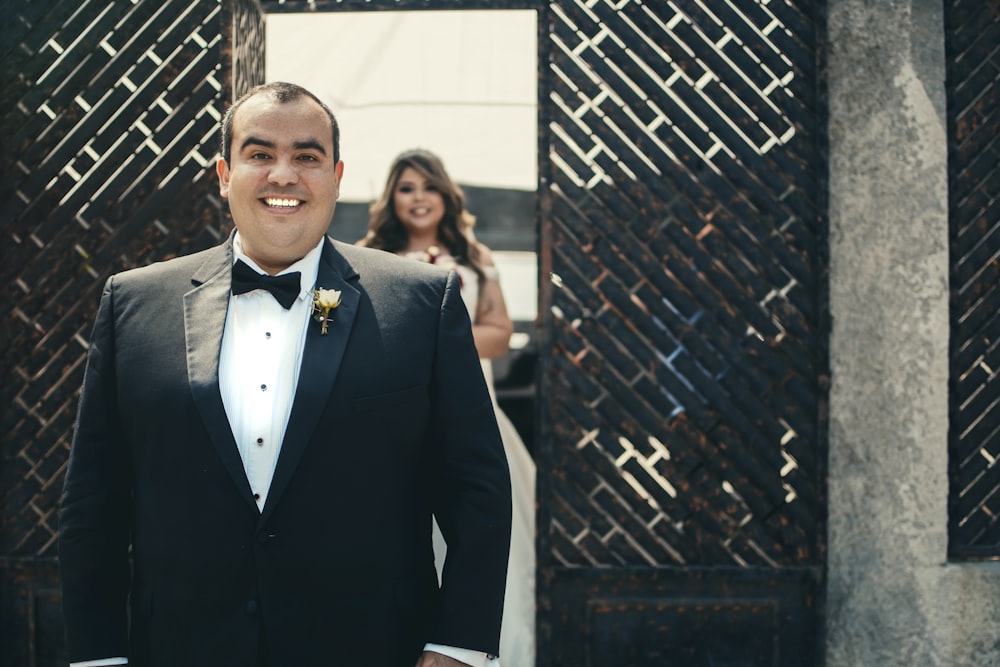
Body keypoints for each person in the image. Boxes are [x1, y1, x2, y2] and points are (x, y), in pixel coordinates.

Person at [58, 83, 512, 667]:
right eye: (259, 154)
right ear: (224, 173)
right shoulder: (132, 302)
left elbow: (477, 488)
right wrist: (97, 656)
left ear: (337, 175)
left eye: (306, 156)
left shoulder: (424, 302)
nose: (283, 174)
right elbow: (94, 501)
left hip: (373, 645)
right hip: (181, 647)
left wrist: (460, 645)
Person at [358, 149, 536, 667]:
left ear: (446, 196)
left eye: (428, 187)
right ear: (391, 197)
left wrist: (438, 337)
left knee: (481, 531)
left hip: (471, 413)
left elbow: (500, 334)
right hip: (399, 419)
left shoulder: (477, 257)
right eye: (407, 188)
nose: (418, 198)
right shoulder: (369, 254)